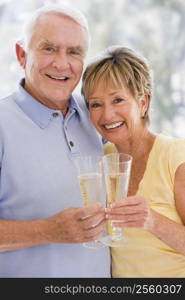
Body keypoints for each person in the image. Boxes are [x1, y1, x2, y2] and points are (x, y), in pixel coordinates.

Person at [0, 4, 110, 278]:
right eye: (48, 48)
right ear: (22, 54)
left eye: (74, 52)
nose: (62, 64)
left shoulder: (97, 117)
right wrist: (47, 230)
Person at [82, 45, 185, 277]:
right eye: (96, 104)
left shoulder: (175, 156)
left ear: (143, 102)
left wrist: (153, 221)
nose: (107, 115)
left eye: (118, 100)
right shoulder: (100, 159)